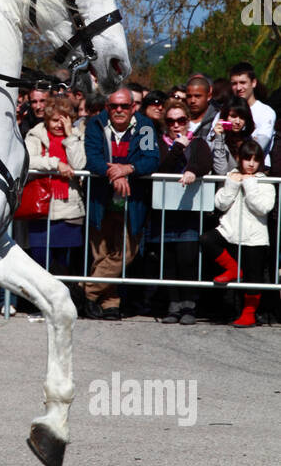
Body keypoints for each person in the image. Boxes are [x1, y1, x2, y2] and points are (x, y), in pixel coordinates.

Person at [83, 87, 159, 319]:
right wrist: (115, 175)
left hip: (132, 200)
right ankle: (109, 304)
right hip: (101, 198)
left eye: (124, 106)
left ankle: (84, 292)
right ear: (107, 107)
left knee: (126, 252)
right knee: (101, 252)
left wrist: (127, 169)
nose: (118, 110)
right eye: (114, 106)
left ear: (133, 107)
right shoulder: (96, 124)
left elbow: (151, 159)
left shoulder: (145, 125)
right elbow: (93, 159)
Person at [201, 138, 276, 326]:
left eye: (256, 160)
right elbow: (220, 203)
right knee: (207, 239)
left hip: (255, 236)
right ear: (239, 158)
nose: (251, 164)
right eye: (247, 159)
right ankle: (233, 268)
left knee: (254, 276)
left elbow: (263, 207)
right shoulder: (231, 176)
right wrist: (233, 184)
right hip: (229, 231)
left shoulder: (266, 182)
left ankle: (249, 313)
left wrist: (250, 185)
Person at [153, 96, 213, 325]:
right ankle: (173, 304)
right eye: (170, 121)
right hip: (165, 211)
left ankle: (189, 305)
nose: (176, 125)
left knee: (187, 259)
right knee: (168, 261)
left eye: (181, 120)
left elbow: (205, 163)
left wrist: (193, 171)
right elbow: (161, 166)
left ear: (188, 120)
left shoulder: (198, 142)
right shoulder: (160, 144)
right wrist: (177, 148)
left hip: (188, 210)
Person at [24, 94, 87, 281]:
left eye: (64, 120)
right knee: (40, 262)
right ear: (46, 120)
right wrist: (55, 163)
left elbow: (79, 164)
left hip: (70, 209)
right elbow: (27, 160)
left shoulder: (77, 136)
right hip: (41, 209)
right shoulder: (36, 135)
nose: (59, 125)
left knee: (63, 266)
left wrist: (70, 136)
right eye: (54, 121)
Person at [228, 61, 276, 155]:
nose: (238, 88)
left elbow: (258, 148)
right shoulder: (224, 111)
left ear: (253, 83)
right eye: (234, 84)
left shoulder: (266, 112)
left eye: (243, 82)